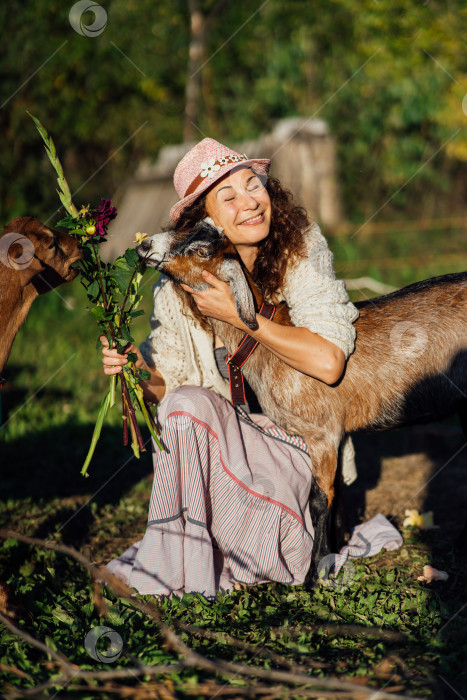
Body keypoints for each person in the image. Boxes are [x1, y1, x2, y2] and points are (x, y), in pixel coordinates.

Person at [101, 138, 359, 598]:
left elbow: (330, 360)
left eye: (252, 185)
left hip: (301, 449)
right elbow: (173, 390)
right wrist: (134, 366)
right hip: (230, 449)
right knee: (182, 405)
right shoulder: (179, 285)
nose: (250, 203)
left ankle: (261, 540)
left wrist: (244, 319)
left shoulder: (298, 248)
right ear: (205, 222)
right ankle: (195, 556)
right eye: (229, 197)